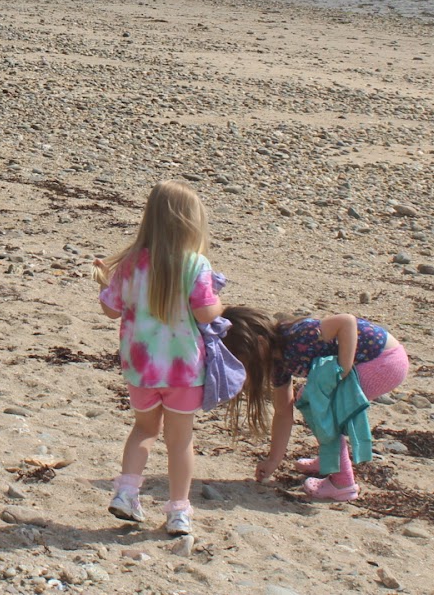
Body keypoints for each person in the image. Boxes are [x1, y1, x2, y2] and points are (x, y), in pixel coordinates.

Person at [91, 180, 225, 535]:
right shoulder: (196, 264)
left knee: (144, 429)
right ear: (190, 223)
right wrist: (220, 303)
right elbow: (205, 313)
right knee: (180, 441)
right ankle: (178, 511)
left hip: (141, 370)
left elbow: (110, 310)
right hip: (183, 371)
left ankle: (126, 492)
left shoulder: (132, 263)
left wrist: (104, 281)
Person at [220, 307, 408, 502]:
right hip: (380, 360)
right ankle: (330, 459)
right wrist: (273, 460)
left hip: (383, 361)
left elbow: (346, 321)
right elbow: (283, 411)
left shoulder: (298, 335)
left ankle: (343, 483)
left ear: (259, 343)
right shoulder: (279, 363)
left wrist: (343, 369)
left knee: (321, 405)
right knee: (309, 398)